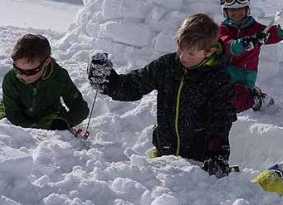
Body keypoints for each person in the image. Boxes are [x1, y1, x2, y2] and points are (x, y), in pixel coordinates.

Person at [88, 13, 237, 177]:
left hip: (199, 165)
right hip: (164, 157)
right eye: (180, 48)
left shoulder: (220, 80)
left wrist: (216, 156)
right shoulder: (167, 66)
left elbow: (220, 122)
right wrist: (109, 82)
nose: (182, 57)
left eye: (191, 54)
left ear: (209, 52)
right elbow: (134, 84)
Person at [0, 34, 90, 133]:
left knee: (57, 131)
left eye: (31, 71)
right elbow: (12, 113)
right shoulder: (11, 78)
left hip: (48, 115)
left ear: (47, 62)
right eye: (18, 69)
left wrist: (65, 121)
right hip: (11, 112)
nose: (24, 76)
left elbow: (80, 108)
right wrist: (31, 128)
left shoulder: (59, 76)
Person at [217, 0, 283, 112]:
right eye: (232, 10)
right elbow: (226, 43)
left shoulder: (255, 28)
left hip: (244, 75)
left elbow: (272, 35)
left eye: (240, 9)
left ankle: (256, 99)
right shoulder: (222, 29)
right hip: (223, 71)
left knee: (235, 103)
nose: (237, 13)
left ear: (247, 10)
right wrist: (245, 43)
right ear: (225, 12)